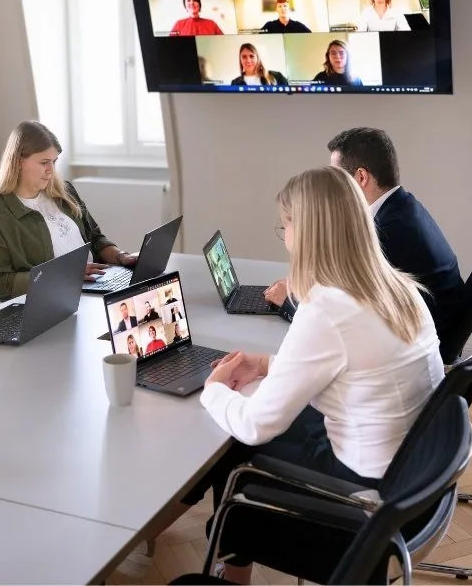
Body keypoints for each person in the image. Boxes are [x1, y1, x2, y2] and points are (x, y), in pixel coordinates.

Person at [185, 166, 445, 584]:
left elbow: (256, 425)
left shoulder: (327, 308)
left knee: (235, 446)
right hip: (410, 479)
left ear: (305, 231)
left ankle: (228, 554)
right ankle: (230, 563)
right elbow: (352, 363)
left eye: (285, 224)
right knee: (244, 439)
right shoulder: (398, 287)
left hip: (366, 495)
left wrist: (212, 388)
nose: (284, 235)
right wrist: (265, 364)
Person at [265, 127, 465, 340]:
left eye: (337, 177)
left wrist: (289, 302)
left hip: (422, 340)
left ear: (361, 177)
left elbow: (342, 325)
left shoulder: (385, 231)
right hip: (436, 328)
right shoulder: (404, 206)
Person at [0, 121, 139, 300]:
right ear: (18, 161)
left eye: (54, 161)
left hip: (94, 286)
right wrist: (65, 274)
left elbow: (95, 239)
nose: (51, 171)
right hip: (50, 299)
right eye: (44, 162)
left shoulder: (65, 192)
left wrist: (121, 257)